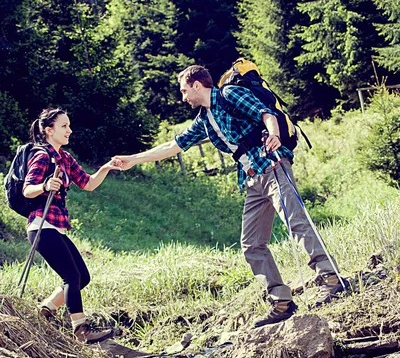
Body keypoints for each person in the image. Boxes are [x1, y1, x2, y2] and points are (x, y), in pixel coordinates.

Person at [114, 65, 347, 327]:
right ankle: (281, 301)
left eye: (184, 91)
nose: (183, 98)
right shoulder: (204, 119)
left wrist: (273, 134)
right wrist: (133, 160)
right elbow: (174, 145)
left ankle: (332, 278)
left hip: (271, 164)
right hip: (251, 178)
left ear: (197, 85)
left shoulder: (230, 94)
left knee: (296, 222)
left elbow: (266, 113)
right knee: (251, 245)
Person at [23, 107, 120, 343]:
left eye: (69, 125)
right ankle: (81, 330)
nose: (70, 130)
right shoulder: (42, 155)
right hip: (41, 226)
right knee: (71, 276)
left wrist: (106, 167)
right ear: (49, 130)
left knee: (82, 277)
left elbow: (88, 184)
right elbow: (28, 190)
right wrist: (45, 186)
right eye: (64, 126)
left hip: (56, 226)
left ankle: (45, 309)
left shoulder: (65, 158)